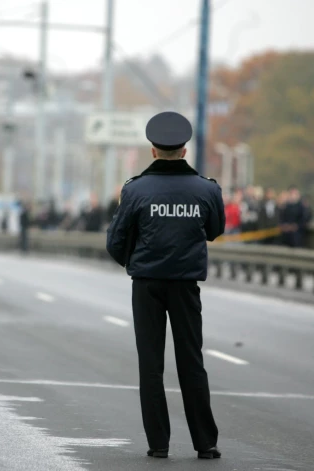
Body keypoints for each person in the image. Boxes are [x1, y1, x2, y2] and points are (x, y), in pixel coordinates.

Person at [106, 111, 224, 460]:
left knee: (151, 364)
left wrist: (137, 261)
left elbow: (115, 241)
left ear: (153, 151)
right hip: (186, 284)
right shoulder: (206, 189)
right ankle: (206, 443)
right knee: (192, 361)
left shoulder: (135, 190)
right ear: (184, 150)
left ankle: (159, 443)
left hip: (147, 285)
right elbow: (215, 230)